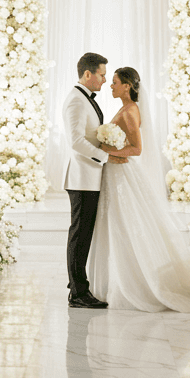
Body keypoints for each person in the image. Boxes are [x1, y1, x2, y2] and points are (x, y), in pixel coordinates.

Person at [88, 66, 190, 312]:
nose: (111, 86)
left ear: (126, 86)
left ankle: (136, 282)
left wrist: (106, 151)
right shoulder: (125, 108)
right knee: (117, 224)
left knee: (126, 224)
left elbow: (136, 148)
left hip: (121, 173)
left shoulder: (131, 111)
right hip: (114, 171)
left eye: (114, 82)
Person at [61, 52, 110, 308]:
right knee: (79, 236)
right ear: (87, 74)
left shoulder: (83, 98)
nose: (104, 80)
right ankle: (78, 293)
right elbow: (76, 141)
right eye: (101, 75)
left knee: (83, 236)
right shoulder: (76, 102)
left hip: (89, 177)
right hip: (82, 177)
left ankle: (77, 285)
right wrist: (104, 156)